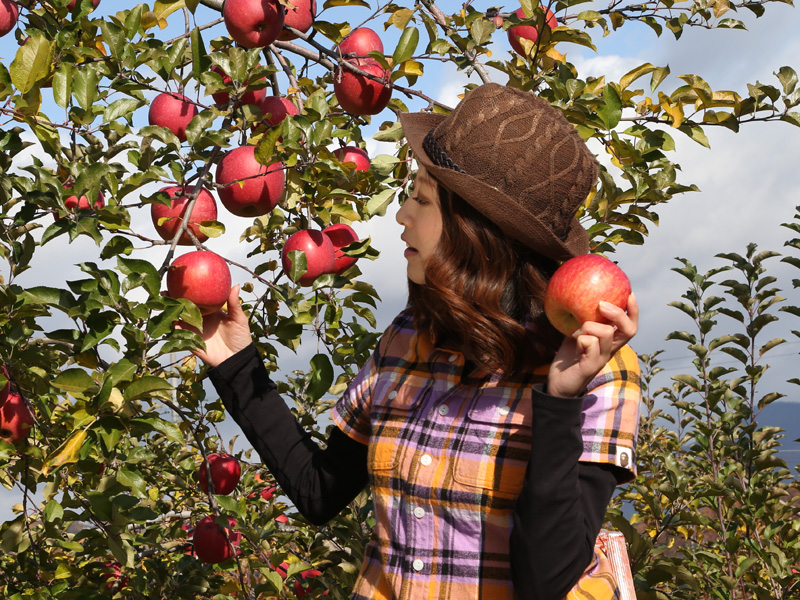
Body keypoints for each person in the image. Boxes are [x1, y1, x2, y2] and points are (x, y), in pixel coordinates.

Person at [192, 83, 640, 600]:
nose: (402, 215)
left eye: (422, 198)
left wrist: (560, 401)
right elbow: (319, 491)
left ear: (475, 231)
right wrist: (235, 362)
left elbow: (546, 581)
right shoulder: (408, 338)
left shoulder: (597, 368)